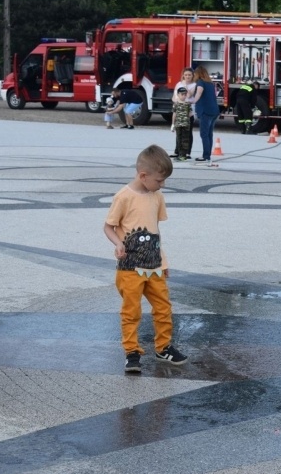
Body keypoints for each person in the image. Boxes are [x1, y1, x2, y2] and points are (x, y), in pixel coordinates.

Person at [103, 145, 188, 372]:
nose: (163, 185)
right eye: (160, 180)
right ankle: (132, 351)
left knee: (163, 307)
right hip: (130, 268)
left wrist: (164, 262)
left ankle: (163, 347)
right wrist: (119, 243)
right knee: (131, 311)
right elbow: (108, 226)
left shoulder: (156, 196)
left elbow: (155, 231)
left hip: (154, 266)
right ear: (143, 176)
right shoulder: (123, 197)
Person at [192, 65, 219, 166]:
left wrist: (193, 102)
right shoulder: (210, 84)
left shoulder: (200, 82)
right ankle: (207, 155)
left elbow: (199, 93)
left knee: (204, 134)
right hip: (214, 111)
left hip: (205, 111)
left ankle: (206, 156)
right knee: (209, 134)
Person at [171, 68, 196, 157]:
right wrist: (176, 102)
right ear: (183, 75)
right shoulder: (178, 84)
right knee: (179, 133)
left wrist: (185, 85)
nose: (187, 76)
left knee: (188, 134)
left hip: (188, 112)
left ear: (192, 75)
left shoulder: (194, 85)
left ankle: (187, 152)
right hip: (179, 111)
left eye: (189, 75)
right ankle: (177, 151)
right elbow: (174, 97)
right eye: (186, 75)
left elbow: (189, 95)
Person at [171, 87, 193, 161]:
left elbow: (190, 114)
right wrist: (173, 124)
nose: (183, 96)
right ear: (178, 94)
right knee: (179, 139)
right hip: (178, 124)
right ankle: (180, 154)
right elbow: (174, 114)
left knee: (185, 140)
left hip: (186, 124)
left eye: (185, 94)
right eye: (182, 94)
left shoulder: (188, 104)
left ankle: (183, 155)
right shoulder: (176, 104)